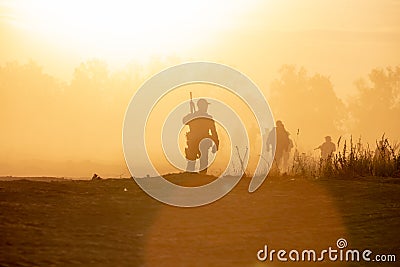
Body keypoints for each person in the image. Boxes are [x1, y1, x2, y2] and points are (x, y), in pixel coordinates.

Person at [182, 99, 219, 174]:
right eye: (205, 106)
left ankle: (194, 177)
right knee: (199, 161)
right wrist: (216, 144)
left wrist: (216, 144)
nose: (206, 107)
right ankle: (194, 177)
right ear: (201, 106)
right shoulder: (207, 118)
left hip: (197, 141)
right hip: (200, 142)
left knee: (198, 161)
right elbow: (184, 121)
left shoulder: (197, 116)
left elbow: (184, 121)